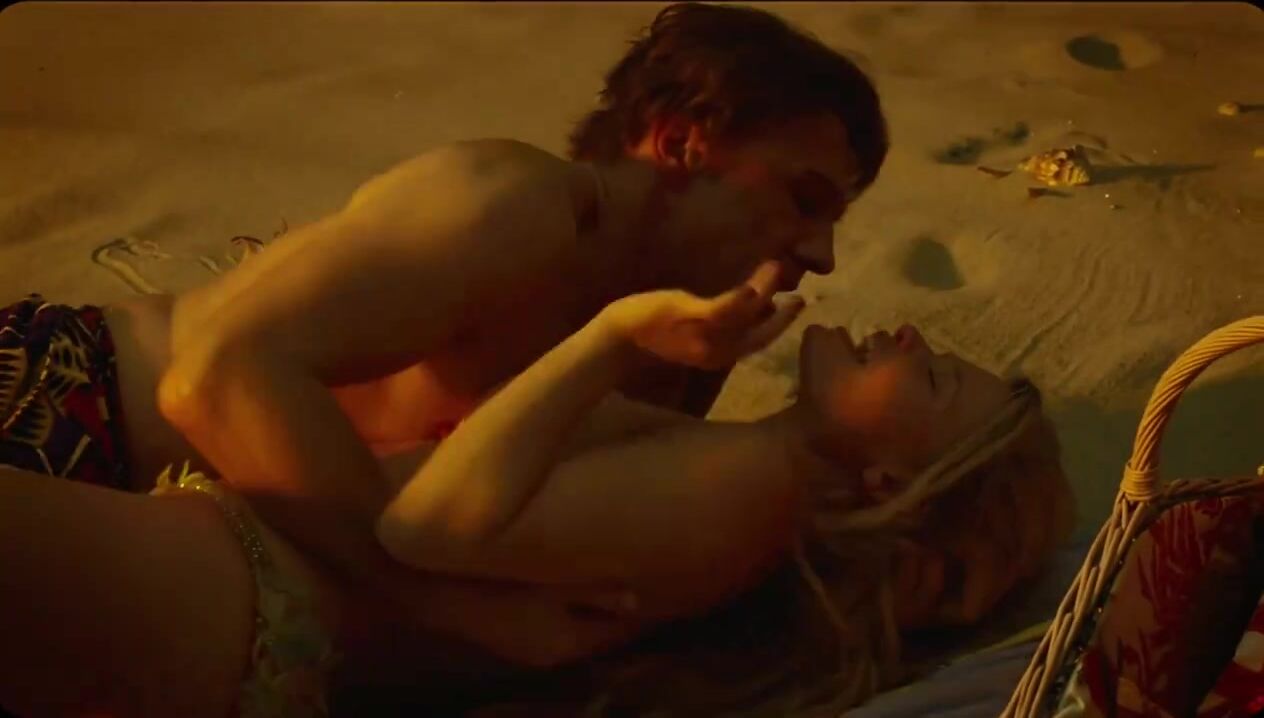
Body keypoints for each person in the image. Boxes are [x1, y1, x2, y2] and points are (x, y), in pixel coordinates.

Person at [4, 0, 890, 682]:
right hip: (61, 399)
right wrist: (433, 605)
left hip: (167, 552)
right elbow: (215, 379)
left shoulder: (677, 336)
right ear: (682, 142)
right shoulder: (514, 205)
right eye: (805, 199)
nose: (821, 255)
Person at [0, 263, 1072, 716]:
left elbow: (422, 526)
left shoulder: (743, 487)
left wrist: (610, 340)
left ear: (888, 480)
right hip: (230, 594)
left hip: (228, 596)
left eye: (932, 378)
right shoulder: (738, 473)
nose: (911, 335)